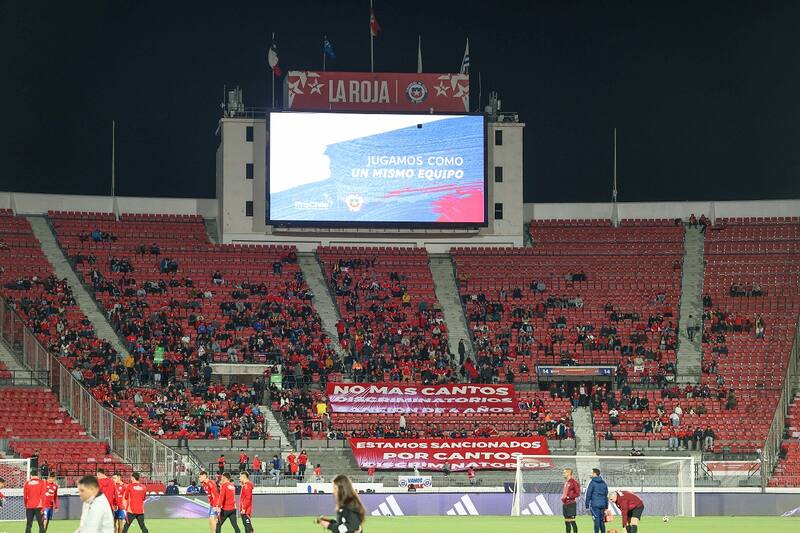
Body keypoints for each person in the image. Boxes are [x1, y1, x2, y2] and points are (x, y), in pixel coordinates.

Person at [585, 468, 609, 533]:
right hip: (603, 504)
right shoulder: (604, 483)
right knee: (602, 520)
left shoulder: (592, 482)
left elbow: (588, 494)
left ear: (594, 474)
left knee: (596, 520)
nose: (591, 474)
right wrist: (606, 506)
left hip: (595, 504)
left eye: (592, 473)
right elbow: (606, 495)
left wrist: (587, 505)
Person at [24, 468, 45, 533]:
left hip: (29, 506)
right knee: (41, 525)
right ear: (37, 475)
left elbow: (25, 496)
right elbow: (43, 496)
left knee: (29, 524)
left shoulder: (27, 483)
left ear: (31, 475)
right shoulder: (41, 482)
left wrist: (26, 505)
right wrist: (43, 508)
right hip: (39, 506)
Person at [561, 468, 580, 533]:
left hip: (571, 504)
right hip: (565, 504)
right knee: (567, 522)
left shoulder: (574, 482)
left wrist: (568, 497)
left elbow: (577, 493)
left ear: (569, 473)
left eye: (564, 472)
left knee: (572, 521)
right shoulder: (566, 482)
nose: (563, 474)